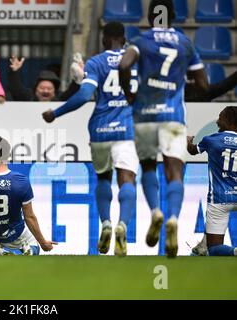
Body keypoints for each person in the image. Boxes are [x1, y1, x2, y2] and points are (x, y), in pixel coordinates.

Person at [119, 0, 209, 257]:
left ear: (149, 17)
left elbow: (124, 65)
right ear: (174, 16)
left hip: (145, 115)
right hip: (173, 116)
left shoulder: (141, 40)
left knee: (147, 166)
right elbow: (203, 85)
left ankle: (155, 212)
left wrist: (129, 94)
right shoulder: (185, 43)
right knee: (174, 172)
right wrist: (183, 81)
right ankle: (172, 219)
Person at [42, 22, 139, 257]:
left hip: (100, 130)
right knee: (127, 179)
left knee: (103, 178)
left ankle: (105, 223)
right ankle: (122, 225)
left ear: (104, 40)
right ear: (123, 39)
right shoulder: (136, 59)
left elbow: (84, 95)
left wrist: (55, 113)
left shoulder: (96, 62)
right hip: (126, 128)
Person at [187, 106, 237, 256]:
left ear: (228, 121)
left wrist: (188, 141)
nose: (217, 121)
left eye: (220, 118)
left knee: (214, 249)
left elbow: (192, 150)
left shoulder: (212, 139)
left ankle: (234, 251)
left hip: (219, 200)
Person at [8, 56, 80, 102]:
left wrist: (78, 77)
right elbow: (16, 90)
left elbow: (72, 92)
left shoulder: (60, 99)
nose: (45, 91)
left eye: (49, 89)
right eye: (42, 88)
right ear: (36, 89)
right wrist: (15, 71)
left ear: (55, 91)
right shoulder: (29, 97)